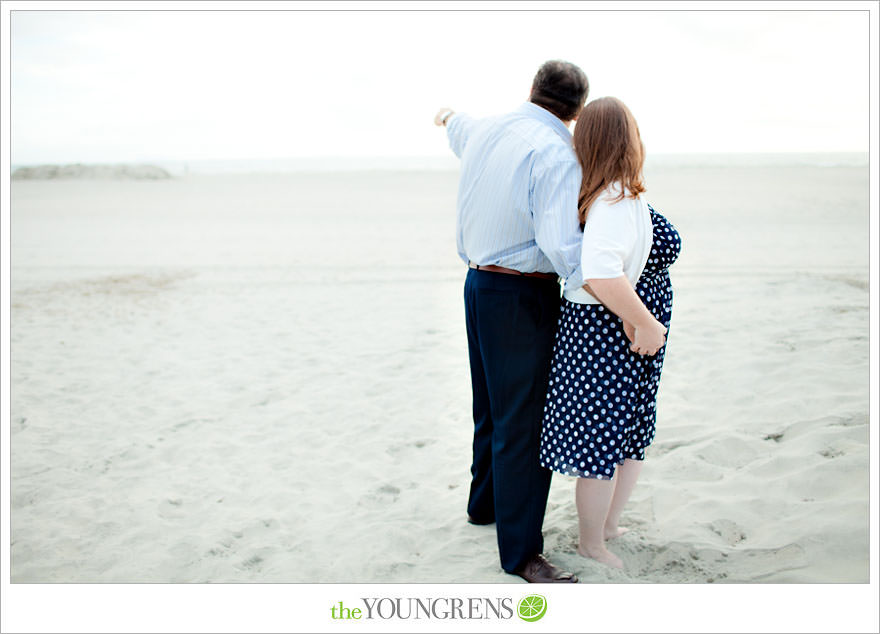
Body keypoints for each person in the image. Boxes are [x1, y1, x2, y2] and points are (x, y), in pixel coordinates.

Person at [432, 60, 591, 583]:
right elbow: (563, 247)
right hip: (523, 294)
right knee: (523, 421)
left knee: (491, 406)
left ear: (533, 90)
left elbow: (460, 127)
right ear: (575, 113)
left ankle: (485, 506)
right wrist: (609, 289)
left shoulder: (488, 129)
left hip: (478, 286)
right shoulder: (556, 153)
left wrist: (447, 115)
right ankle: (523, 554)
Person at [540, 96, 681, 569]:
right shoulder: (614, 199)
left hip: (619, 331)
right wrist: (642, 319)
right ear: (629, 138)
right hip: (607, 335)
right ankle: (591, 542)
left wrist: (641, 319)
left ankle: (607, 526)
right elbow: (601, 273)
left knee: (629, 434)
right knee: (603, 442)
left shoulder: (616, 192)